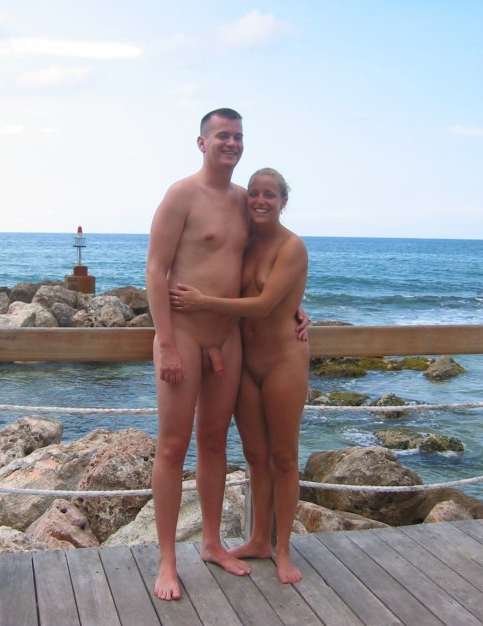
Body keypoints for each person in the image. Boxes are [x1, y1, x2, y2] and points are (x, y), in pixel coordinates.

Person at [146, 110, 306, 601]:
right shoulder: (181, 195)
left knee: (214, 441)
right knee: (173, 447)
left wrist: (297, 307)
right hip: (183, 337)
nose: (231, 143)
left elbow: (265, 267)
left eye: (238, 136)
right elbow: (155, 269)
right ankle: (167, 560)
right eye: (222, 136)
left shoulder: (243, 201)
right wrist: (166, 342)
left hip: (227, 340)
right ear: (202, 142)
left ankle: (212, 543)